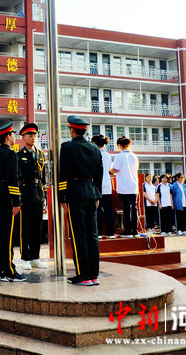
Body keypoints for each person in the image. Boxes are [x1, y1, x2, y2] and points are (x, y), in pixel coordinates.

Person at [59, 115, 103, 286]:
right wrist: (97, 193)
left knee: (79, 236)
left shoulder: (67, 148)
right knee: (93, 235)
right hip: (92, 193)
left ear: (72, 130)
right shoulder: (94, 148)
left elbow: (65, 175)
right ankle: (93, 275)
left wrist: (63, 197)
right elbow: (99, 175)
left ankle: (83, 275)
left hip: (75, 193)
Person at [0, 122, 26, 282]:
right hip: (7, 196)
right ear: (7, 137)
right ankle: (9, 270)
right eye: (13, 135)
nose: (15, 138)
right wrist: (16, 201)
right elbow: (13, 179)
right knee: (8, 235)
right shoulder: (11, 153)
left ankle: (0, 268)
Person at [17, 123, 48, 270]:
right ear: (23, 137)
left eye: (35, 135)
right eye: (30, 135)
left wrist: (45, 200)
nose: (33, 137)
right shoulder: (19, 155)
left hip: (38, 194)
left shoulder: (41, 155)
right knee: (25, 227)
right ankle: (25, 257)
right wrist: (18, 198)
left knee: (37, 227)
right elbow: (17, 179)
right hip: (25, 193)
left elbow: (43, 178)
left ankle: (35, 257)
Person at [111, 137, 140, 237]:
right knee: (134, 208)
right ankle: (135, 231)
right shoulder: (134, 156)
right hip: (134, 186)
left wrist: (109, 169)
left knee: (126, 209)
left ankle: (127, 231)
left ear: (119, 145)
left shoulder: (119, 156)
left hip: (124, 186)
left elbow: (115, 170)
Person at [91, 135, 115, 238]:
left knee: (98, 208)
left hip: (96, 184)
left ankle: (99, 232)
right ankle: (111, 233)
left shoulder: (93, 154)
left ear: (95, 143)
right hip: (107, 184)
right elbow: (110, 169)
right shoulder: (108, 155)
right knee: (108, 208)